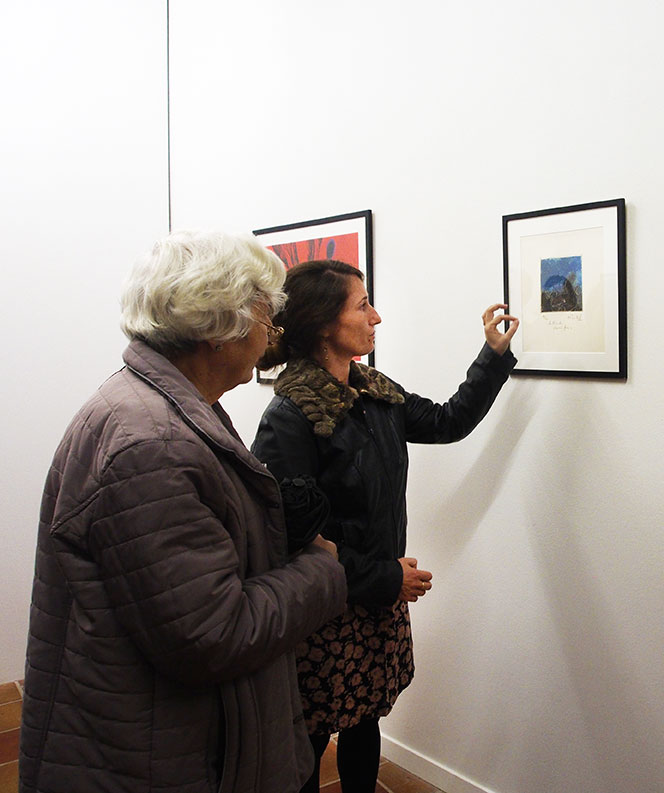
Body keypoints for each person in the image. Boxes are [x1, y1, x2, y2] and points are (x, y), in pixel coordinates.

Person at [20, 232, 349, 793]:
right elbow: (212, 633)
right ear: (218, 326)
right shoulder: (154, 444)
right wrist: (323, 569)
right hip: (160, 755)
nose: (270, 331)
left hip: (163, 736)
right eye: (264, 315)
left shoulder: (162, 408)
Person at [250, 259, 519, 793]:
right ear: (325, 324)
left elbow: (447, 421)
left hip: (378, 596)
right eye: (363, 305)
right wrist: (387, 577)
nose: (376, 317)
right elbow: (291, 539)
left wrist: (492, 355)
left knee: (364, 717)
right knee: (309, 734)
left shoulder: (375, 393)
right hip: (326, 604)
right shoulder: (291, 416)